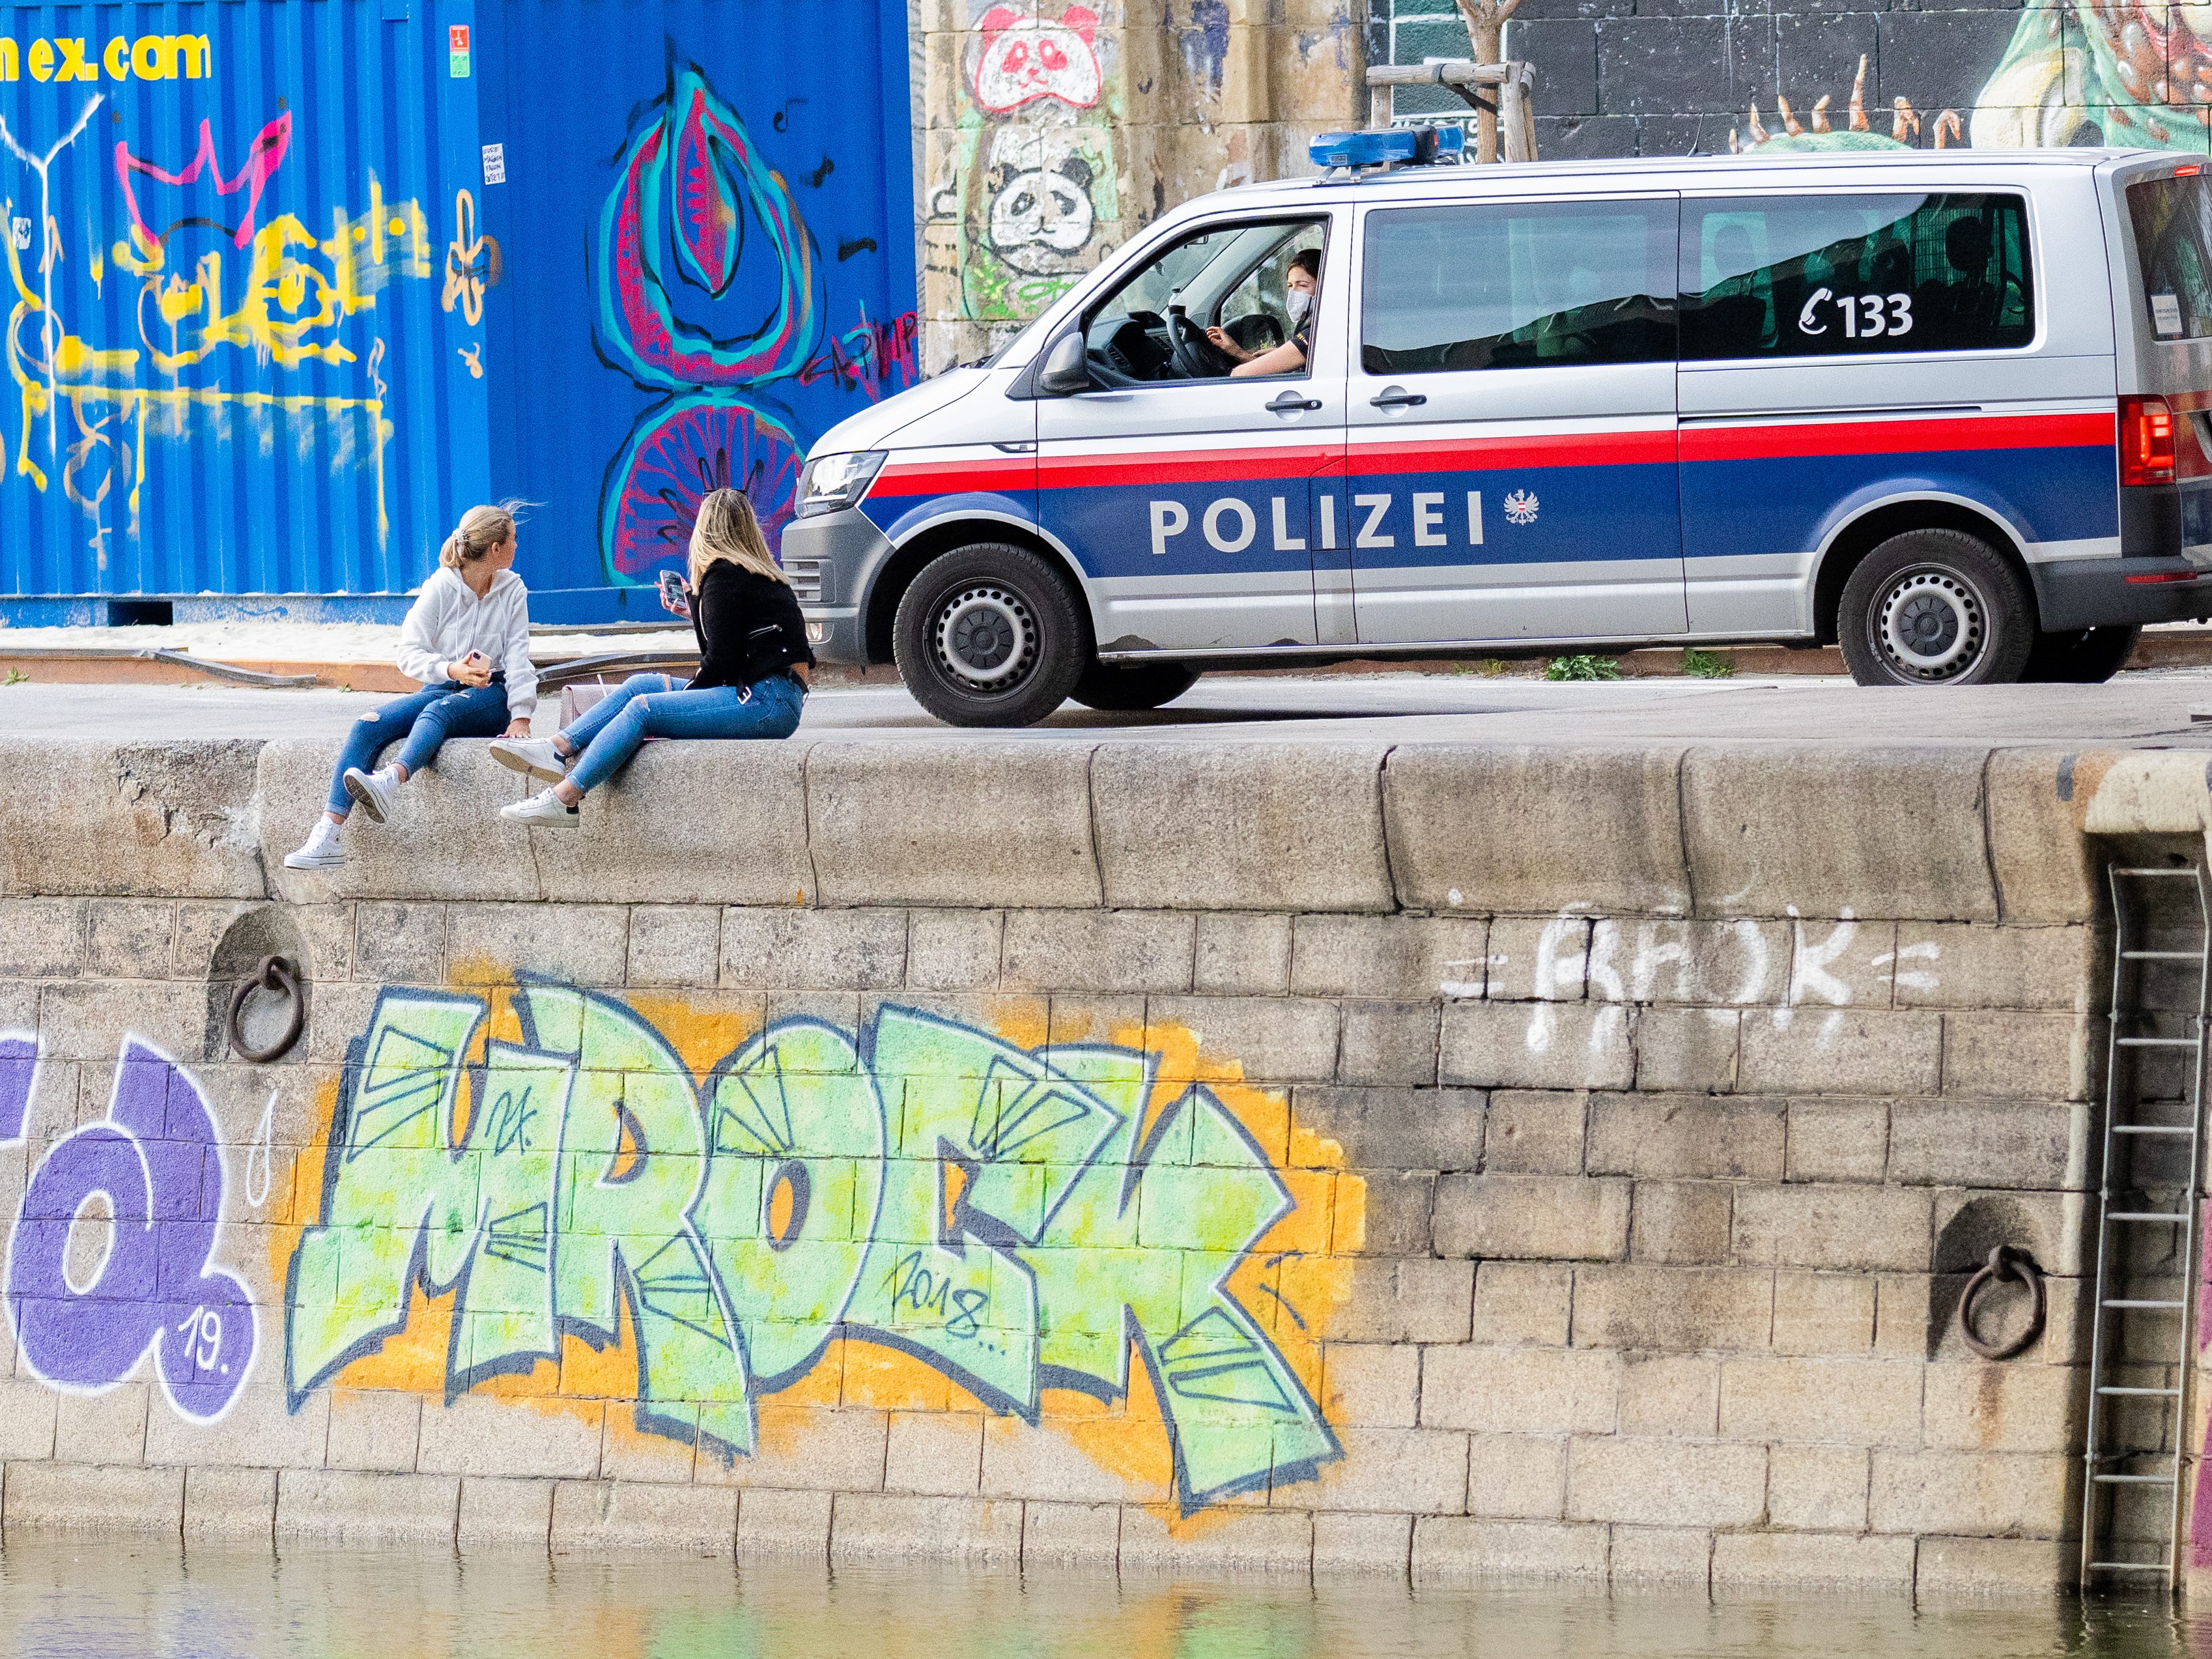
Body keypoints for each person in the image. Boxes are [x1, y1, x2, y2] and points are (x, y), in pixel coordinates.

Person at [489, 487, 812, 823]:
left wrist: (683, 695)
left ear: (706, 528)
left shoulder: (722, 576)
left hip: (765, 702)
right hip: (770, 695)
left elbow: (721, 663)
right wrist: (698, 610)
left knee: (644, 708)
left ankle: (565, 798)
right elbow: (735, 642)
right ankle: (556, 748)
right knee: (641, 683)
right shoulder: (757, 574)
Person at [283, 502, 537, 870]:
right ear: (496, 548)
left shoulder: (513, 589)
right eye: (513, 539)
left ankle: (390, 780)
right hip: (444, 685)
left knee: (437, 712)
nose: (517, 546)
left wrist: (522, 716)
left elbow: (518, 656)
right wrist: (450, 668)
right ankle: (327, 836)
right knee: (368, 724)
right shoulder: (441, 587)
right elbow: (408, 653)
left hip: (492, 695)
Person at [1208, 248, 1320, 378]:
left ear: (1323, 286)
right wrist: (1237, 352)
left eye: (1302, 285)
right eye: (1290, 286)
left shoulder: (1315, 333)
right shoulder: (1310, 326)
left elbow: (1240, 374)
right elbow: (1281, 373)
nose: (1294, 293)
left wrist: (1238, 356)